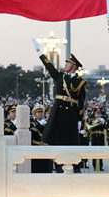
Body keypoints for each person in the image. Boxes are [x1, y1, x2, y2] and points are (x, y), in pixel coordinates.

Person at [33, 39, 86, 173]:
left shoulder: (80, 82)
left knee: (71, 140)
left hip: (71, 113)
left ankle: (75, 165)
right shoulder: (60, 77)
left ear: (73, 66)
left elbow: (81, 102)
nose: (65, 65)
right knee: (56, 138)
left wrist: (81, 121)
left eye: (68, 63)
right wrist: (39, 52)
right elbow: (49, 66)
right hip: (59, 111)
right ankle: (58, 165)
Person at [30, 104, 50, 173]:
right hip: (36, 147)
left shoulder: (47, 123)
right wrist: (40, 125)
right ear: (34, 114)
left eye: (42, 112)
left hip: (46, 148)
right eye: (38, 112)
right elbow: (33, 134)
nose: (41, 114)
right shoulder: (31, 124)